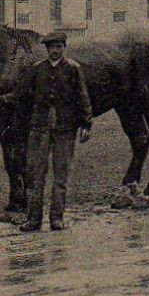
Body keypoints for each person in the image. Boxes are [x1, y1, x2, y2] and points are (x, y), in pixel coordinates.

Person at [19, 31, 93, 233]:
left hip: (65, 130)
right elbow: (24, 99)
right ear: (46, 49)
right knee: (35, 175)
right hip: (39, 129)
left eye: (58, 46)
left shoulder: (73, 69)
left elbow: (83, 98)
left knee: (61, 176)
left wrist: (86, 124)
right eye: (51, 47)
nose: (54, 50)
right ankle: (33, 219)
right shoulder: (37, 70)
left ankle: (56, 219)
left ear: (64, 47)